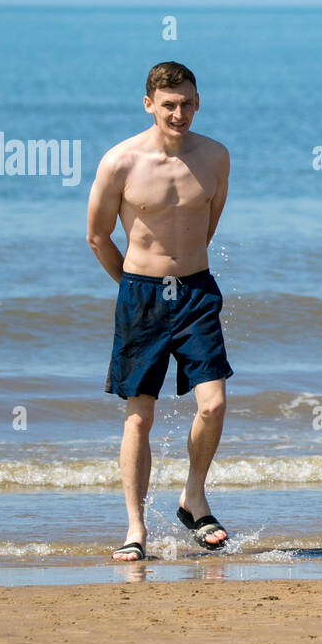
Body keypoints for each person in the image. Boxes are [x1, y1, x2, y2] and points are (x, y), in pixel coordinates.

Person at [86, 61, 234, 562]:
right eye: (169, 104)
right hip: (142, 296)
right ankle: (135, 529)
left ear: (198, 102)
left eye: (187, 103)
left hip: (195, 291)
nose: (179, 113)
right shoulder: (120, 162)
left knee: (212, 404)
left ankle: (193, 498)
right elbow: (97, 236)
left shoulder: (215, 157)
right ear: (149, 104)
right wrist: (133, 288)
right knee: (138, 420)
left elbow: (207, 227)